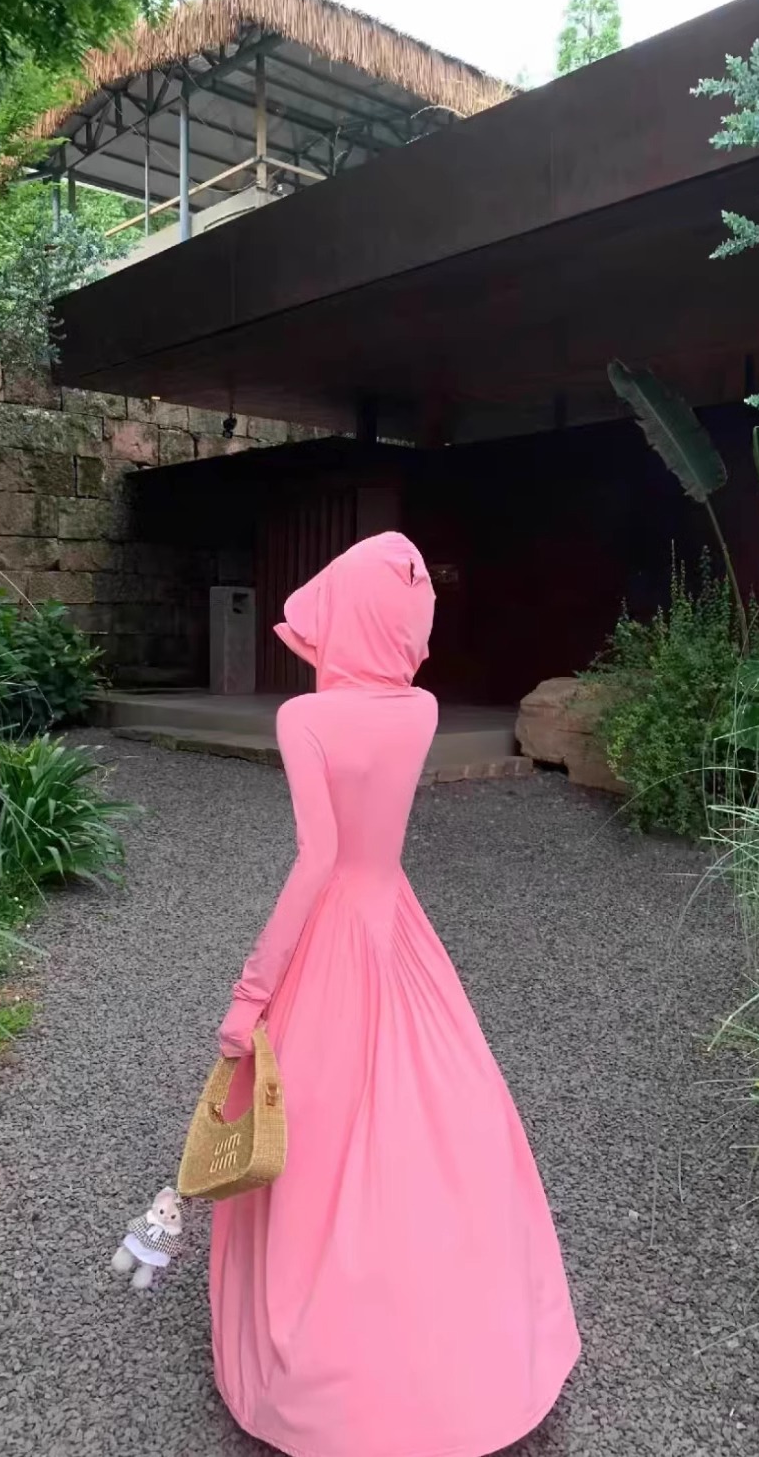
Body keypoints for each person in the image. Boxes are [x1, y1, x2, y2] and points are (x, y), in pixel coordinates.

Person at [210, 531, 580, 1457]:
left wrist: (251, 993)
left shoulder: (306, 719)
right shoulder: (421, 708)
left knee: (318, 1129)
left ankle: (333, 1369)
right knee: (432, 1114)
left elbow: (317, 860)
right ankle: (460, 1341)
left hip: (333, 932)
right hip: (396, 925)